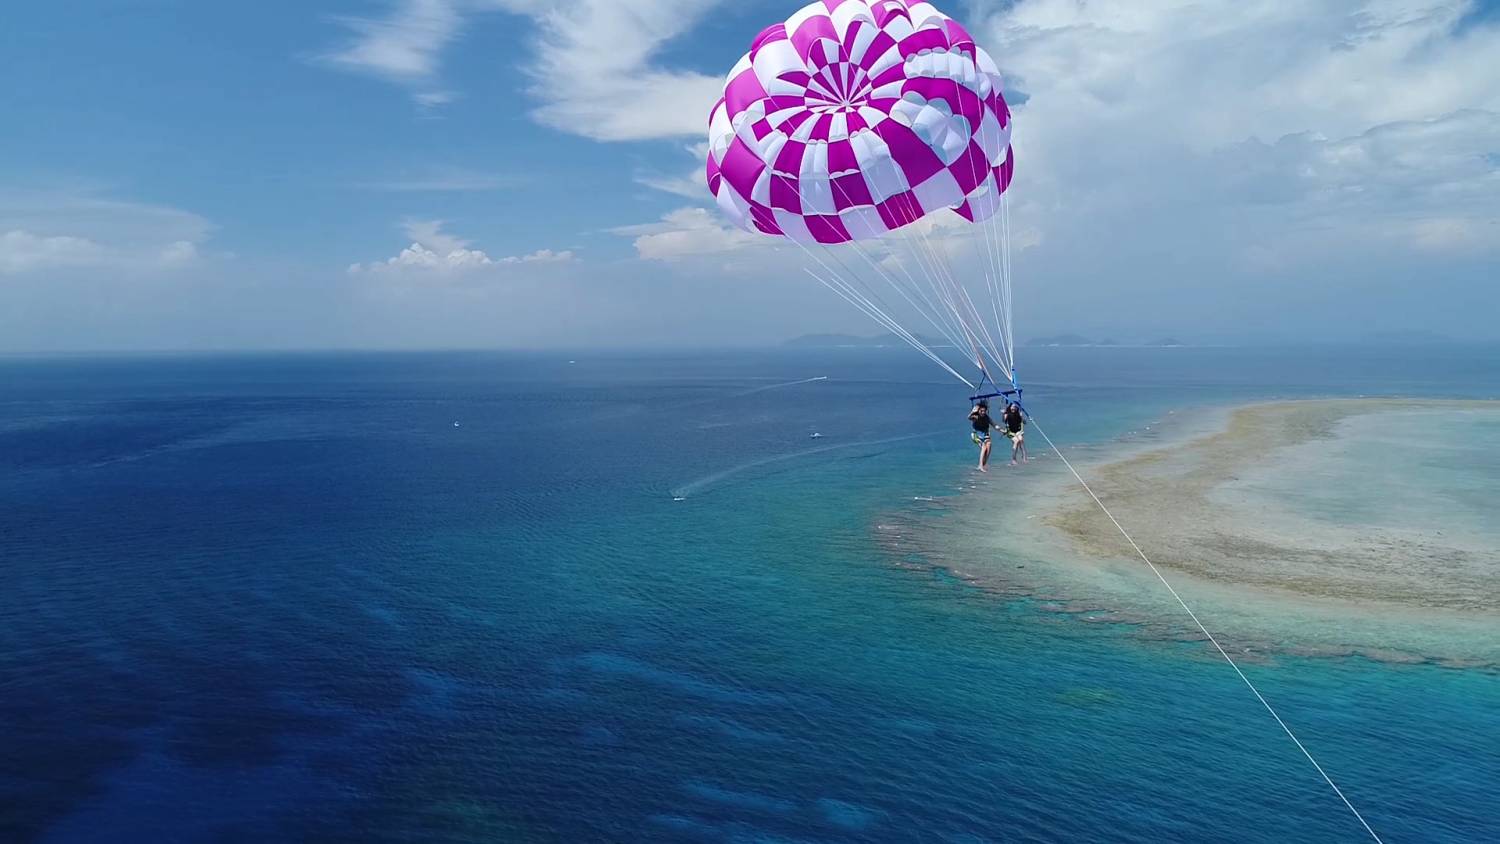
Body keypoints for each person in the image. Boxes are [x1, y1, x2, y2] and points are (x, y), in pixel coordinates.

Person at [968, 400, 995, 471]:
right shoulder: (975, 417)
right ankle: (980, 466)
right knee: (984, 447)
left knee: (989, 445)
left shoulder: (986, 417)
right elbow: (969, 418)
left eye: (984, 411)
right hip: (975, 435)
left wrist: (1002, 430)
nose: (983, 412)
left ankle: (983, 464)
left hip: (984, 436)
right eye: (981, 411)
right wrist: (973, 411)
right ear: (978, 410)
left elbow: (994, 425)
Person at [1002, 401, 1027, 465]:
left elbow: (1024, 422)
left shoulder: (1018, 414)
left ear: (1017, 408)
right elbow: (1004, 421)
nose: (1014, 408)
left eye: (1015, 407)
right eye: (1012, 406)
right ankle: (1014, 459)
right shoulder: (1007, 414)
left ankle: (1024, 456)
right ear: (1010, 407)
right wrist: (1004, 413)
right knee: (1016, 441)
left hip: (1018, 431)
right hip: (1010, 432)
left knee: (1021, 439)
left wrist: (1022, 417)